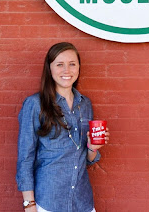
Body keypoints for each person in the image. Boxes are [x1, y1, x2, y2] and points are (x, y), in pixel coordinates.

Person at [16, 42, 109, 212]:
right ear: (49, 69)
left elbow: (85, 160)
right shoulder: (35, 105)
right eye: (60, 64)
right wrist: (29, 205)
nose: (67, 70)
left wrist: (92, 148)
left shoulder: (85, 104)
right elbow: (25, 158)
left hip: (82, 202)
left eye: (72, 64)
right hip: (49, 201)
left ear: (79, 68)